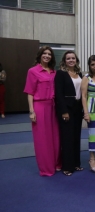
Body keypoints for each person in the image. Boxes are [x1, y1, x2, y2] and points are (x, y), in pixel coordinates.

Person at [23, 46, 61, 176]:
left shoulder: (53, 72)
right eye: (44, 53)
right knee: (43, 139)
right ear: (40, 55)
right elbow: (29, 92)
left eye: (49, 54)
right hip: (40, 107)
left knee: (55, 137)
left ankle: (56, 163)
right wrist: (31, 111)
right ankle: (46, 168)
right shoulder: (32, 71)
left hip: (53, 107)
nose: (47, 56)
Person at [55, 51, 84, 176]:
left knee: (76, 136)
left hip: (78, 108)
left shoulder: (79, 74)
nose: (71, 60)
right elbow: (59, 94)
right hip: (67, 108)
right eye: (68, 58)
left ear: (76, 60)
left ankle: (76, 163)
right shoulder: (60, 74)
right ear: (64, 61)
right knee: (67, 138)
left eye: (73, 58)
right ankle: (67, 166)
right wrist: (64, 111)